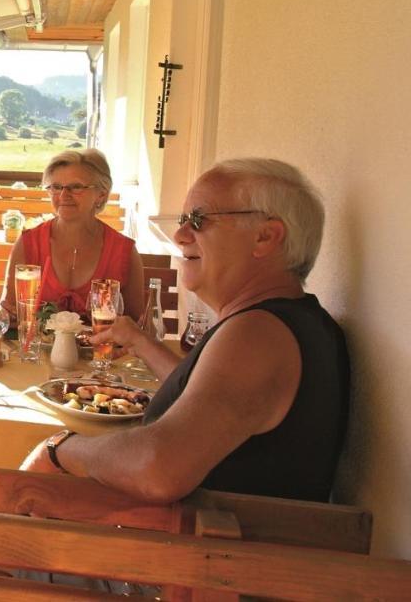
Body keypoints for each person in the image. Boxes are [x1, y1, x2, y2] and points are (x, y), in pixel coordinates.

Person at [21, 158, 350, 503]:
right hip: (215, 540)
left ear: (265, 236)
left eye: (198, 220)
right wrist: (141, 342)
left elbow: (157, 469)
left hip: (206, 548)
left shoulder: (259, 335)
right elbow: (204, 397)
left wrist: (59, 448)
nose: (179, 235)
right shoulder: (284, 323)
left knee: (13, 492)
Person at [1, 149, 145, 323]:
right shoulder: (28, 243)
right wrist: (6, 314)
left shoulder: (124, 251)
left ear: (102, 194)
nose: (63, 195)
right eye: (56, 187)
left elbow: (136, 324)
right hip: (38, 349)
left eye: (76, 187)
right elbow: (8, 309)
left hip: (99, 349)